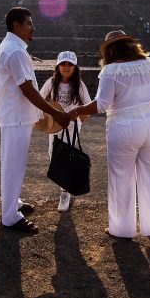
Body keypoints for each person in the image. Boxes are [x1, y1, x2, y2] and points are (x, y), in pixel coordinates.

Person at [68, 30, 150, 241]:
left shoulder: (111, 71)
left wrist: (77, 110)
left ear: (110, 50)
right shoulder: (149, 64)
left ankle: (122, 229)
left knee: (121, 177)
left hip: (124, 127)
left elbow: (102, 105)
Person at [0, 7, 70, 234]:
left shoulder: (12, 47)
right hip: (16, 117)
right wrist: (54, 113)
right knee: (13, 166)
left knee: (14, 164)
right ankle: (9, 217)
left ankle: (13, 203)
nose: (32, 27)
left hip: (16, 116)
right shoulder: (15, 51)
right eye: (28, 23)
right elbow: (27, 89)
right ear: (16, 25)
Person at [40, 51, 92, 212]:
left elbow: (89, 103)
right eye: (63, 64)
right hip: (55, 124)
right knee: (52, 153)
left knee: (67, 156)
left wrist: (84, 113)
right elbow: (40, 98)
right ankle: (64, 185)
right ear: (58, 66)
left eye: (70, 64)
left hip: (72, 125)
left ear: (75, 67)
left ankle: (65, 191)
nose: (66, 67)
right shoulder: (51, 82)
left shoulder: (80, 85)